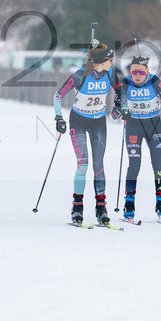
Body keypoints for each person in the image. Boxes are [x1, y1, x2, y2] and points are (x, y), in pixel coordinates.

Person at [54, 41, 119, 226]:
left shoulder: (110, 73)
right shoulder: (79, 76)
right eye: (110, 59)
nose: (112, 63)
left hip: (98, 123)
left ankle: (101, 209)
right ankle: (77, 208)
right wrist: (58, 118)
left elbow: (122, 92)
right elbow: (57, 96)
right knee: (83, 164)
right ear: (100, 60)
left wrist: (118, 108)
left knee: (99, 166)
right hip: (79, 122)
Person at [116, 55, 161, 223]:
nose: (136, 75)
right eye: (133, 71)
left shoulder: (155, 82)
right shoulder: (125, 84)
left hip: (154, 126)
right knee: (134, 165)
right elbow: (116, 109)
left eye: (140, 72)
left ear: (147, 71)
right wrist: (121, 111)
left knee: (158, 164)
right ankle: (129, 206)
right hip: (133, 127)